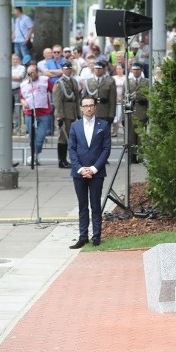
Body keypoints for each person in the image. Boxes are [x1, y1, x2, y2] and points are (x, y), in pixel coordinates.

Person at [67, 97, 112, 248]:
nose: (89, 108)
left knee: (95, 205)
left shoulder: (103, 125)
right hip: (78, 172)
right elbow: (72, 149)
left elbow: (106, 149)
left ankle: (97, 236)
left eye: (91, 105)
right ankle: (83, 236)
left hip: (96, 172)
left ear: (95, 107)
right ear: (81, 108)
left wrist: (93, 169)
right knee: (82, 205)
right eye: (85, 106)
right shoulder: (75, 126)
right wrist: (80, 168)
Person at [20, 66, 55, 166]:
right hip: (29, 114)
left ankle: (34, 155)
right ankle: (35, 157)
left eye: (32, 72)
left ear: (37, 72)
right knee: (32, 137)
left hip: (43, 114)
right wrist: (23, 103)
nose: (31, 74)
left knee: (40, 138)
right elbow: (22, 97)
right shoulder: (24, 84)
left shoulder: (45, 80)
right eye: (29, 73)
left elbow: (54, 90)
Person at [52, 62, 80, 168]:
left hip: (72, 112)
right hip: (64, 113)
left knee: (71, 137)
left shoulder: (73, 81)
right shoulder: (60, 83)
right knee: (63, 137)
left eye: (69, 68)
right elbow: (57, 101)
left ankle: (67, 159)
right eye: (66, 68)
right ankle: (62, 160)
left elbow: (77, 99)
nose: (68, 70)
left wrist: (78, 113)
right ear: (62, 70)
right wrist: (60, 116)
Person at [82, 61, 116, 127]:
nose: (97, 70)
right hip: (91, 112)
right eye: (96, 68)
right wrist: (83, 112)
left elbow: (112, 100)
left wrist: (111, 115)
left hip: (105, 112)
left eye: (99, 68)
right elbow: (84, 98)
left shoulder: (110, 82)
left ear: (104, 70)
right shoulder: (88, 82)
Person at [128, 62, 149, 163]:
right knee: (131, 136)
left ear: (141, 70)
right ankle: (132, 156)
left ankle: (140, 156)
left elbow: (149, 97)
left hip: (142, 111)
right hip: (131, 112)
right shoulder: (128, 82)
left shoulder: (146, 82)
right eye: (134, 69)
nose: (135, 71)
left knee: (141, 137)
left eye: (137, 69)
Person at [11, 54, 26, 133]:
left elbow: (19, 78)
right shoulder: (8, 67)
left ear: (19, 60)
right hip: (8, 91)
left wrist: (7, 76)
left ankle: (18, 129)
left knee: (17, 110)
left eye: (16, 59)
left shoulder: (22, 68)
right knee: (9, 110)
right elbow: (15, 77)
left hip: (18, 90)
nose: (15, 60)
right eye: (13, 59)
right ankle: (11, 128)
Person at [112, 64, 126, 137]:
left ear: (123, 69)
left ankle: (124, 131)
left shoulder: (126, 78)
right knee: (115, 117)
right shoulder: (113, 78)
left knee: (120, 116)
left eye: (120, 69)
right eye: (117, 69)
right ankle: (115, 131)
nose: (118, 70)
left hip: (122, 99)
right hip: (115, 99)